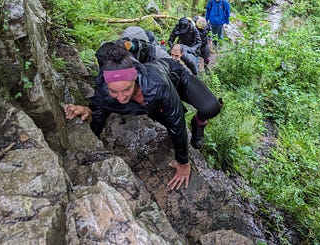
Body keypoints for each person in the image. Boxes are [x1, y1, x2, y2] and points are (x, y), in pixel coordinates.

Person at [64, 44, 222, 190]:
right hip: (157, 97)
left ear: (135, 79)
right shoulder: (105, 92)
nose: (120, 97)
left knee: (211, 107)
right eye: (114, 91)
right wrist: (88, 112)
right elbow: (98, 113)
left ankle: (198, 123)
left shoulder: (156, 86)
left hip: (174, 77)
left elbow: (177, 123)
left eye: (126, 90)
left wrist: (183, 162)